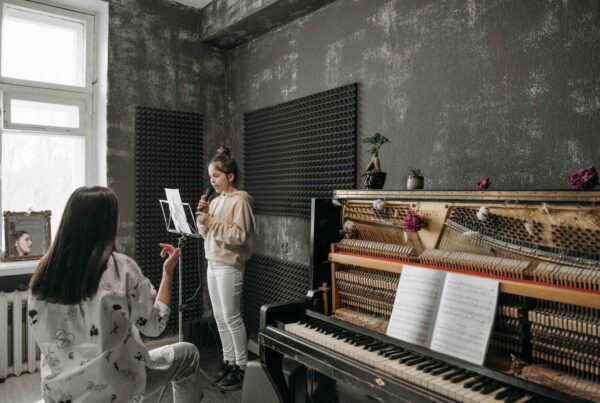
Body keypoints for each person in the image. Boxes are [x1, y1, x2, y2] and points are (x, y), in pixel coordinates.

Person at [28, 186, 203, 403]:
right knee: (189, 354)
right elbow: (155, 325)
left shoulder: (44, 275)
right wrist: (167, 273)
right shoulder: (122, 269)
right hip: (114, 389)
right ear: (106, 223)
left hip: (59, 393)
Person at [196, 146, 256, 391]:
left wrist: (211, 221)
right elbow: (205, 233)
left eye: (217, 176)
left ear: (230, 176)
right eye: (211, 177)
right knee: (220, 318)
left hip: (229, 264)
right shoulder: (217, 201)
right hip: (213, 261)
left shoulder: (240, 200)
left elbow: (240, 236)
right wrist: (203, 217)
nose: (213, 181)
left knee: (232, 317)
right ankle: (229, 360)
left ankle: (242, 366)